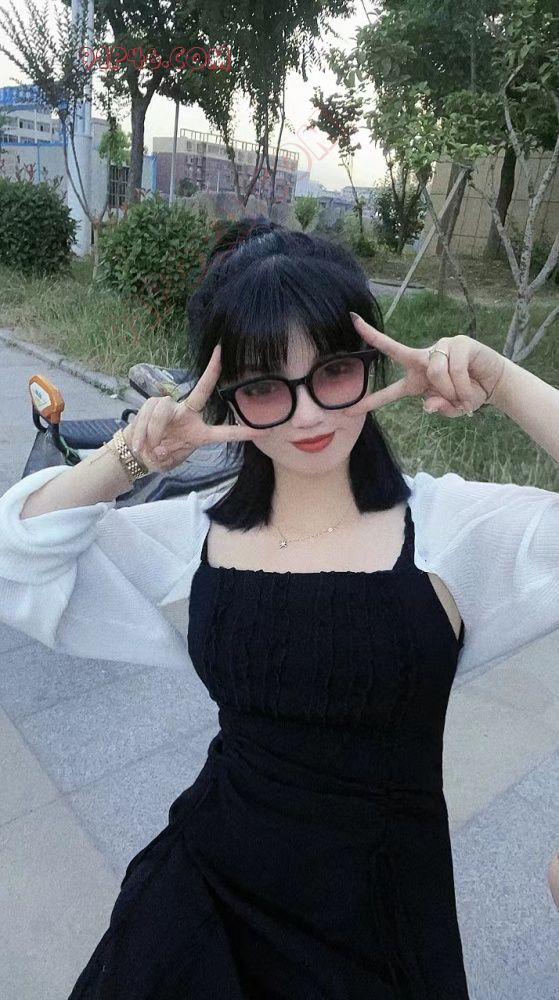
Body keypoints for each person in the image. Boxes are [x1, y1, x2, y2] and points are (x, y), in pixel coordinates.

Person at [0, 216, 557, 1000]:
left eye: (333, 371)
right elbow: (15, 554)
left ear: (373, 363)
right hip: (203, 897)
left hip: (377, 917)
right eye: (264, 387)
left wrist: (496, 378)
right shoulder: (194, 533)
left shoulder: (450, 531)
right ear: (223, 397)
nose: (307, 416)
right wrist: (131, 458)